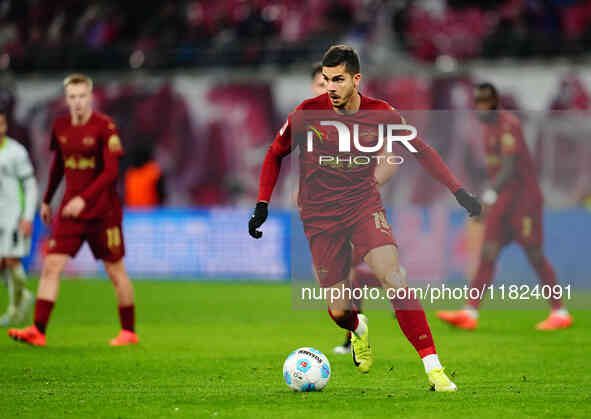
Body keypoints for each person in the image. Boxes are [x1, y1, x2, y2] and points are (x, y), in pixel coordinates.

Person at [249, 45, 481, 391]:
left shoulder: (381, 113)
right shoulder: (306, 114)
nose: (330, 87)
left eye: (338, 80)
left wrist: (459, 191)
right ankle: (357, 327)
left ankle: (434, 369)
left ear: (356, 79)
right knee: (339, 309)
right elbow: (274, 154)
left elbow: (422, 150)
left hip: (362, 206)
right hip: (320, 217)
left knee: (393, 276)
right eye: (326, 80)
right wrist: (262, 204)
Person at [8, 74, 138, 346]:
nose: (77, 102)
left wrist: (85, 198)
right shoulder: (61, 126)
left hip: (103, 211)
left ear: (90, 97)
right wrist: (46, 199)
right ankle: (38, 330)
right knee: (52, 264)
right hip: (70, 210)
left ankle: (128, 331)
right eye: (72, 97)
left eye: (82, 96)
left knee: (115, 271)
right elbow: (59, 165)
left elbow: (111, 172)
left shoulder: (105, 127)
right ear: (66, 99)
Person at [437, 83, 572, 331]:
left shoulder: (508, 125)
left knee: (535, 254)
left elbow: (509, 168)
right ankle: (470, 312)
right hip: (503, 201)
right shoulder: (487, 128)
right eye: (476, 103)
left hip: (524, 201)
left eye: (483, 103)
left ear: (494, 103)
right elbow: (495, 170)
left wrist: (488, 196)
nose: (478, 108)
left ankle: (559, 311)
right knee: (488, 252)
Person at [0, 110, 37, 326]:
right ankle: (23, 297)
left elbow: (30, 185)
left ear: (5, 126)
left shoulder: (16, 152)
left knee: (12, 260)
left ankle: (14, 310)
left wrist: (27, 216)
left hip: (13, 217)